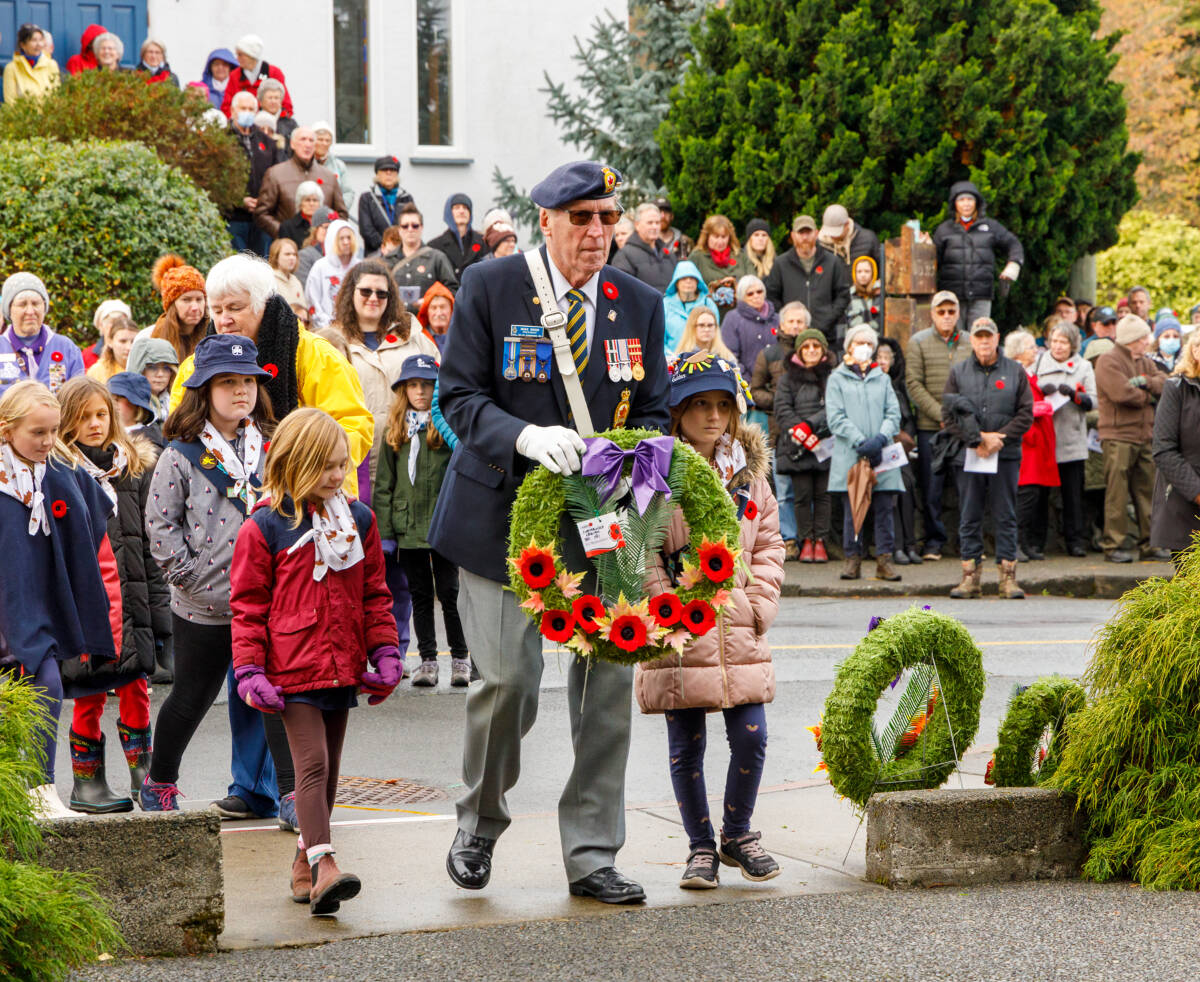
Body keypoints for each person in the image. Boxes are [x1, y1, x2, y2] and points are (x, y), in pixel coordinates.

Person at [429, 160, 670, 903]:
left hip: (601, 524)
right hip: (502, 518)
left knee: (607, 687)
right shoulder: (492, 286)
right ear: (547, 221)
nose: (596, 233)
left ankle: (593, 850)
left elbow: (656, 412)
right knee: (507, 682)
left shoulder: (640, 302)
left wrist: (632, 463)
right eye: (581, 219)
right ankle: (479, 820)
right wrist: (527, 438)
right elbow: (459, 397)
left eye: (606, 217)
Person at [230, 408, 400, 915]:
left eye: (343, 465)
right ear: (298, 463)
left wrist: (386, 649)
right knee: (312, 765)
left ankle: (303, 865)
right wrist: (249, 670)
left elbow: (374, 593)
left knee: (328, 775)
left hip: (341, 663)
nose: (338, 476)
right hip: (290, 671)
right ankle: (327, 865)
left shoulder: (359, 519)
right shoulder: (265, 526)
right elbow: (248, 605)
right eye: (327, 466)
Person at [635, 354, 785, 889]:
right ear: (677, 410)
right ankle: (700, 848)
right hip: (679, 629)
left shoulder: (749, 476)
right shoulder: (656, 471)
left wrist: (760, 603)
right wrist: (663, 604)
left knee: (751, 736)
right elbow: (642, 547)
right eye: (700, 405)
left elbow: (768, 542)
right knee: (686, 745)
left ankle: (737, 833)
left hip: (739, 626)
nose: (713, 416)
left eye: (723, 405)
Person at [140, 334, 297, 825]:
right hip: (203, 604)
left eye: (247, 381)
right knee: (190, 697)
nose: (240, 391)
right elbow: (160, 526)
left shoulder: (274, 445)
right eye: (227, 382)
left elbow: (294, 508)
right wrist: (189, 578)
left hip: (264, 604)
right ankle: (159, 783)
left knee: (274, 698)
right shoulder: (179, 454)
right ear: (203, 391)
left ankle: (292, 795)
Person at [0, 380, 120, 818]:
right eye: (37, 433)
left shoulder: (56, 474)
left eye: (53, 432)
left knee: (46, 685)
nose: (48, 442)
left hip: (36, 611)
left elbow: (96, 516)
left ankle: (39, 789)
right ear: (6, 430)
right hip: (4, 610)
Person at [171, 255, 373, 496]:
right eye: (216, 310)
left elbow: (351, 425)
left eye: (236, 308)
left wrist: (310, 467)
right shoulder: (194, 367)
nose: (224, 319)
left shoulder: (316, 355)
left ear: (263, 304)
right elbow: (179, 432)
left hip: (307, 496)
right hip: (215, 506)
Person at [56, 377, 164, 814]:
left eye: (102, 414)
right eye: (84, 418)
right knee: (90, 691)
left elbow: (147, 545)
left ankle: (145, 774)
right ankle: (88, 782)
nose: (96, 424)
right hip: (89, 608)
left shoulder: (133, 470)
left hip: (132, 603)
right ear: (67, 423)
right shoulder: (61, 474)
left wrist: (161, 618)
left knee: (137, 686)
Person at [376, 355, 470, 688]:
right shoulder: (395, 430)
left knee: (450, 592)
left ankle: (461, 658)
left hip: (443, 523)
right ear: (403, 390)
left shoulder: (446, 426)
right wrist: (385, 534)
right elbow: (383, 485)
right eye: (413, 385)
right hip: (409, 528)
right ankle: (427, 661)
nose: (420, 391)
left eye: (427, 385)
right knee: (418, 595)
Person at [943, 317, 1033, 599]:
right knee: (969, 515)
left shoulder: (1015, 371)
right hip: (969, 456)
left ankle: (1008, 578)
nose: (984, 341)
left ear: (997, 339)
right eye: (979, 336)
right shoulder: (958, 372)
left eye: (988, 336)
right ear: (971, 340)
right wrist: (977, 439)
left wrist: (998, 438)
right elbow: (948, 416)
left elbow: (1025, 414)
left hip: (1004, 456)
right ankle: (970, 578)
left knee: (1005, 514)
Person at [333, 259, 437, 497]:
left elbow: (440, 382)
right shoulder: (332, 340)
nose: (374, 298)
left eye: (382, 293)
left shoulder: (412, 334)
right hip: (352, 461)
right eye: (366, 291)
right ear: (351, 293)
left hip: (410, 454)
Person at [826, 325, 903, 582]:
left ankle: (884, 560)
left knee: (884, 509)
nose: (864, 347)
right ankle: (852, 560)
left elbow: (894, 413)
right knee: (854, 508)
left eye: (869, 343)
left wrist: (880, 438)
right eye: (859, 342)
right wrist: (861, 441)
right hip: (852, 455)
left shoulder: (881, 377)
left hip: (881, 454)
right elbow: (835, 417)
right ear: (848, 346)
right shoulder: (837, 378)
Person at [1094, 315, 1169, 563]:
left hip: (1144, 435)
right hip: (1117, 437)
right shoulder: (1108, 361)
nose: (1147, 342)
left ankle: (1151, 543)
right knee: (1117, 493)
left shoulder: (1146, 363)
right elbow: (1121, 394)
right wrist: (1149, 395)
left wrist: (1145, 383)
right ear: (1131, 340)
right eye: (1143, 338)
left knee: (1148, 491)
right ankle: (1113, 544)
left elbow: (1164, 383)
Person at [905, 289, 971, 560]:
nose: (946, 316)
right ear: (932, 314)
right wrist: (940, 414)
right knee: (931, 487)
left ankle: (966, 542)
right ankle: (934, 540)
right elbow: (913, 384)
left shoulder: (970, 341)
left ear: (958, 314)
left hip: (965, 429)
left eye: (951, 311)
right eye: (941, 312)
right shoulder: (918, 342)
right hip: (930, 427)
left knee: (966, 487)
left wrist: (962, 419)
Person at [1033, 320, 1097, 557]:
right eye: (1055, 341)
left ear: (1073, 345)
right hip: (1045, 439)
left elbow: (1093, 402)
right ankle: (1036, 541)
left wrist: (1074, 395)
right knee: (1039, 496)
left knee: (1073, 495)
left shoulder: (1084, 366)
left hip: (1072, 438)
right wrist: (1041, 391)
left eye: (1064, 342)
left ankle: (1075, 540)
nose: (1058, 346)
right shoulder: (1039, 362)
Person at [774, 325, 833, 563]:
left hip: (823, 442)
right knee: (801, 495)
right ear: (799, 350)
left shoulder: (831, 377)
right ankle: (805, 540)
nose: (811, 350)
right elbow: (782, 408)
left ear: (823, 350)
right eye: (806, 346)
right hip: (797, 446)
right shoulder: (787, 377)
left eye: (816, 346)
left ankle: (821, 541)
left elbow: (834, 407)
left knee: (823, 495)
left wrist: (811, 426)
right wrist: (800, 429)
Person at [932, 181, 1024, 332]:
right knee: (954, 337)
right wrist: (926, 248)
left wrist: (1013, 264)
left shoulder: (990, 226)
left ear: (977, 203)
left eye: (970, 199)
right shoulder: (944, 230)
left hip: (982, 295)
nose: (966, 204)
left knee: (979, 335)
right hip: (952, 297)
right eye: (961, 200)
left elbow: (1013, 243)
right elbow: (935, 261)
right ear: (954, 204)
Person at [1004, 329, 1060, 561]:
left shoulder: (1025, 374)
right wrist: (1037, 409)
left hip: (1037, 444)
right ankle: (1014, 543)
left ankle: (1025, 543)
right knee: (1025, 497)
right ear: (1018, 352)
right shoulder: (1016, 374)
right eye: (1030, 347)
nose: (1035, 350)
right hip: (1028, 444)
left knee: (1033, 497)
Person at [1151, 329, 1200, 561]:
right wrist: (1197, 491)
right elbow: (1164, 449)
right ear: (1194, 351)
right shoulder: (1177, 388)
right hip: (1185, 507)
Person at [764, 214, 850, 347]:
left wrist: (827, 319)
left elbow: (843, 296)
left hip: (825, 336)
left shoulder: (832, 262)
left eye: (808, 232)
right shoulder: (781, 264)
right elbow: (772, 296)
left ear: (816, 233)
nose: (805, 237)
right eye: (800, 233)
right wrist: (789, 321)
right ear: (793, 236)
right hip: (791, 339)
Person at [0, 272, 84, 397]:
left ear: (44, 307)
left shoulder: (66, 348)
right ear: (9, 310)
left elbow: (80, 399)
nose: (30, 311)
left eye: (35, 303)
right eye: (22, 304)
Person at [875, 336, 921, 565]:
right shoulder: (871, 385)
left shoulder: (898, 386)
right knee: (891, 493)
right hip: (878, 446)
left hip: (899, 448)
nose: (883, 362)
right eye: (879, 357)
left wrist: (907, 439)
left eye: (887, 357)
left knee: (908, 488)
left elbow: (908, 418)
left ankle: (910, 544)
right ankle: (897, 546)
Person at [255, 128, 348, 239]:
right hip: (288, 248)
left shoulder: (329, 177)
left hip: (322, 247)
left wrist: (329, 234)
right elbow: (261, 213)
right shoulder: (275, 174)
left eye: (311, 140)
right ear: (292, 144)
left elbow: (342, 214)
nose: (307, 144)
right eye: (303, 139)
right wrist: (283, 231)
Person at [226, 90, 281, 256]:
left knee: (261, 265)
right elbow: (216, 180)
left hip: (262, 216)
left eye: (251, 109)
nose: (247, 113)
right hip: (233, 216)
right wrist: (238, 200)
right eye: (243, 108)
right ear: (233, 111)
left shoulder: (267, 142)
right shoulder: (222, 139)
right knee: (238, 265)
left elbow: (276, 175)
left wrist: (264, 201)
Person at [385, 204, 460, 297]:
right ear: (399, 230)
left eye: (415, 226)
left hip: (426, 311)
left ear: (421, 227)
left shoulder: (437, 258)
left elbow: (452, 290)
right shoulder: (387, 260)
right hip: (396, 311)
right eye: (405, 226)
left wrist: (430, 301)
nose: (410, 229)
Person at [687, 215, 752, 319]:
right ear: (707, 236)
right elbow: (685, 287)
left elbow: (753, 282)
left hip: (738, 316)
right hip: (707, 317)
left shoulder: (740, 255)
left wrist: (736, 284)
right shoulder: (697, 257)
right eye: (716, 237)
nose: (720, 242)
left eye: (724, 237)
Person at [148, 255, 210, 363]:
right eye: (186, 300)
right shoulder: (151, 338)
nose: (195, 307)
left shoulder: (213, 333)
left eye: (199, 299)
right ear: (172, 305)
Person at [305, 219, 362, 330]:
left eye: (349, 238)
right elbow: (312, 299)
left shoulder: (360, 266)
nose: (346, 242)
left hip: (355, 328)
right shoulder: (320, 267)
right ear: (332, 240)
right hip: (326, 329)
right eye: (341, 238)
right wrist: (328, 325)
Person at [220, 34, 293, 119]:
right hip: (242, 127)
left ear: (251, 55)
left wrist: (277, 122)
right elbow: (227, 107)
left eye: (240, 55)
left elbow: (286, 105)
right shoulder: (234, 75)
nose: (237, 59)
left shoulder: (274, 73)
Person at [612, 202, 677, 293]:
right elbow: (622, 292)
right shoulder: (624, 256)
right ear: (637, 225)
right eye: (650, 223)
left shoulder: (668, 253)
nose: (654, 227)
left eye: (657, 223)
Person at [358, 156, 414, 255]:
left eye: (392, 170)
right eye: (384, 170)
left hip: (403, 253)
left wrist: (400, 247)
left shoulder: (406, 198)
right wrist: (386, 246)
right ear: (377, 174)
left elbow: (412, 225)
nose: (389, 173)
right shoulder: (367, 198)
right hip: (376, 253)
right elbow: (366, 230)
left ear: (397, 174)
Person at [662, 260, 719, 354]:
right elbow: (659, 337)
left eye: (692, 278)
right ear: (676, 282)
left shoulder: (708, 304)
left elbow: (716, 335)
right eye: (683, 278)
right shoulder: (665, 305)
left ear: (698, 282)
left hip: (704, 360)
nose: (688, 281)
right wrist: (669, 357)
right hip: (672, 360)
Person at [429, 193, 487, 279]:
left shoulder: (483, 242)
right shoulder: (435, 246)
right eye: (456, 208)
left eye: (466, 208)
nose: (462, 211)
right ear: (448, 213)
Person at [3, 22, 60, 101]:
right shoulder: (11, 68)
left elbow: (56, 95)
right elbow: (10, 101)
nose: (39, 44)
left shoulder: (51, 64)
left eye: (40, 40)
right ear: (22, 45)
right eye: (34, 40)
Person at [818, 204, 881, 274]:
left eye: (836, 231)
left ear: (847, 224)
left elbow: (882, 269)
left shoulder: (868, 239)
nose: (833, 235)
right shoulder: (819, 245)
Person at [311, 121, 354, 209]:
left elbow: (348, 192)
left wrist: (340, 211)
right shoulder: (305, 164)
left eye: (328, 140)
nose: (324, 143)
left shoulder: (339, 165)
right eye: (320, 139)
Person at [86, 313, 138, 384]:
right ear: (110, 342)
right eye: (122, 341)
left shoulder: (146, 370)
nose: (129, 347)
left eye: (133, 341)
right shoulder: (97, 372)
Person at [82, 298, 132, 370]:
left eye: (120, 322)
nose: (115, 326)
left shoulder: (134, 353)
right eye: (110, 322)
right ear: (100, 326)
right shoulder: (87, 355)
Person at [278, 181, 324, 249]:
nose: (311, 204)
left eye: (315, 200)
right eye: (307, 200)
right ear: (300, 203)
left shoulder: (325, 225)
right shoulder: (287, 227)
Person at [297, 208, 337, 286]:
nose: (330, 231)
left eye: (333, 228)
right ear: (315, 229)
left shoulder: (339, 257)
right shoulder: (304, 255)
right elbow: (305, 286)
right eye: (326, 227)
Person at [846, 255, 882, 333]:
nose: (863, 275)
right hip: (856, 340)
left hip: (877, 339)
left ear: (873, 273)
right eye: (859, 271)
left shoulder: (880, 294)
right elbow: (844, 324)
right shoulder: (849, 296)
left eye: (867, 271)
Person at [416, 281, 455, 352]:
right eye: (434, 308)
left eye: (443, 307)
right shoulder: (417, 340)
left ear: (451, 310)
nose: (439, 313)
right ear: (426, 312)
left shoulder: (464, 338)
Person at [269, 237, 306, 310]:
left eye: (294, 254)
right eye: (287, 254)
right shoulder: (270, 280)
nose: (292, 258)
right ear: (276, 257)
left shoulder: (296, 281)